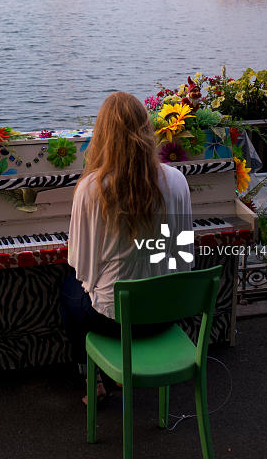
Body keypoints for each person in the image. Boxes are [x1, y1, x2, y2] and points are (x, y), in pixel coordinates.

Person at [61, 91, 193, 401]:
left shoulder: (92, 188)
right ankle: (118, 373)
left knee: (67, 289)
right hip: (167, 313)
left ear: (102, 135)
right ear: (148, 131)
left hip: (113, 320)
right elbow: (184, 260)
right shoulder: (176, 180)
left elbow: (80, 266)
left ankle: (92, 376)